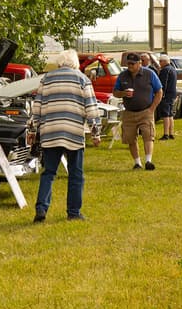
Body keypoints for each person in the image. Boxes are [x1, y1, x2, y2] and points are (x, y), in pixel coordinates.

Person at [27, 49, 101, 223]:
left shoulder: (46, 79)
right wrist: (96, 132)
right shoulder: (83, 79)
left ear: (59, 63)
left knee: (49, 173)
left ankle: (41, 209)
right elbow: (91, 108)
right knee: (76, 174)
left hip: (50, 131)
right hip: (73, 132)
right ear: (75, 63)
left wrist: (32, 131)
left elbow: (36, 108)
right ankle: (74, 212)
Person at [113, 52, 163, 170]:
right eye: (128, 63)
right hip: (129, 112)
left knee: (148, 136)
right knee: (131, 139)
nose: (129, 66)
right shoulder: (122, 76)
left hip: (146, 111)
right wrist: (123, 93)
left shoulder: (149, 74)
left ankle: (148, 162)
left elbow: (159, 91)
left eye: (132, 63)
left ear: (140, 63)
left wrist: (152, 108)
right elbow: (115, 92)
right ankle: (137, 163)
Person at [157, 54, 177, 140]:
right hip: (172, 94)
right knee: (170, 115)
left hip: (166, 95)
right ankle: (171, 133)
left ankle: (166, 134)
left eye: (160, 61)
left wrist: (161, 95)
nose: (159, 63)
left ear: (164, 61)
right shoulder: (173, 69)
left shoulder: (165, 70)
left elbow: (163, 84)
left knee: (165, 115)